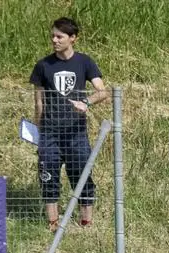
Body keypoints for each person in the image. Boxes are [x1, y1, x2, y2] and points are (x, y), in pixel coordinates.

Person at [30, 17, 108, 232]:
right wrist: (38, 131)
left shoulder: (84, 62)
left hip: (76, 132)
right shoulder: (43, 65)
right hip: (49, 133)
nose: (54, 40)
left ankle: (85, 223)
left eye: (59, 36)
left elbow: (103, 92)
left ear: (73, 38)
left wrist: (85, 102)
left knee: (81, 174)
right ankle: (53, 223)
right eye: (52, 36)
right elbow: (39, 101)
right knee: (48, 176)